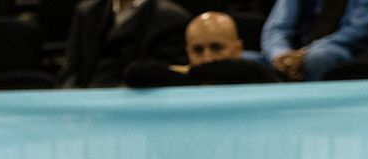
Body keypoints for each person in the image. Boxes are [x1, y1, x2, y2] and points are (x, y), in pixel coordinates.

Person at [124, 11, 280, 87]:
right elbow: (135, 72)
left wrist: (190, 73)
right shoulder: (184, 80)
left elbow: (246, 70)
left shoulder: (257, 76)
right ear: (187, 52)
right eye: (198, 50)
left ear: (237, 49)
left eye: (216, 48)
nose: (207, 58)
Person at [60, 0, 191, 88]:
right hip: (84, 110)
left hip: (132, 114)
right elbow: (70, 72)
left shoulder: (171, 18)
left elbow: (163, 81)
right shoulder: (87, 12)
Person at [260, 0, 368, 81]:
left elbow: (359, 30)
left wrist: (304, 53)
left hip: (340, 47)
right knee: (246, 61)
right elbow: (277, 28)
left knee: (318, 57)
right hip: (292, 51)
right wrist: (280, 54)